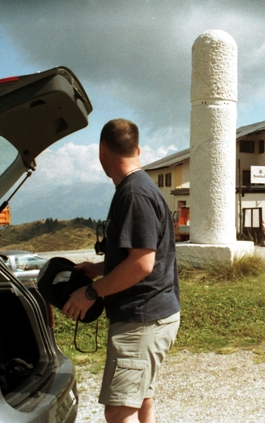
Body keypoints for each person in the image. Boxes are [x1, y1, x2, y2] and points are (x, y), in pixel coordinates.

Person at [62, 119, 180, 423]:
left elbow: (142, 264)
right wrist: (99, 268)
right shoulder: (139, 188)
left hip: (141, 319)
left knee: (118, 411)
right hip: (152, 314)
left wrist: (91, 292)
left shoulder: (133, 194)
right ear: (137, 149)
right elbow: (139, 255)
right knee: (142, 401)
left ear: (102, 151)